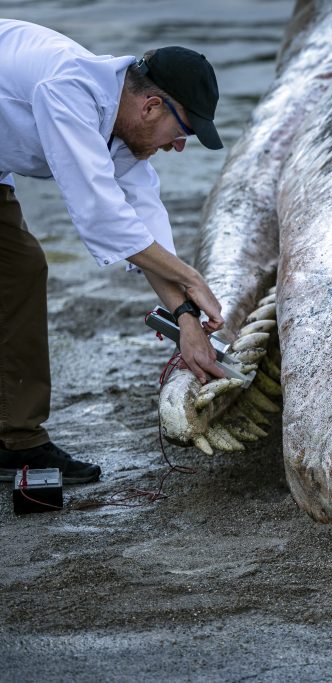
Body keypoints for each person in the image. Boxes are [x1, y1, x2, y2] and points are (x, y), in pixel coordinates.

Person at [0, 19, 228, 485]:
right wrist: (192, 279)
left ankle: (15, 442)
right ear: (151, 106)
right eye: (182, 129)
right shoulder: (68, 91)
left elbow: (143, 228)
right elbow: (99, 215)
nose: (179, 146)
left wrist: (186, 317)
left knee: (18, 269)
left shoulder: (125, 134)